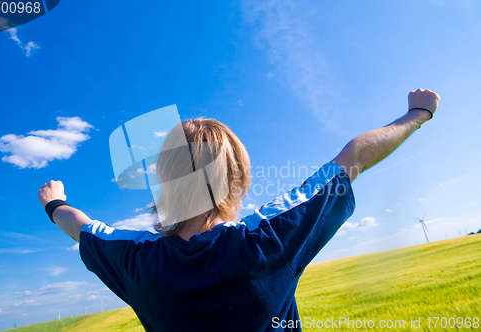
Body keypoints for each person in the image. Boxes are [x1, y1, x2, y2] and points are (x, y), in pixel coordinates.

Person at [38, 88, 440, 331]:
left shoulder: (133, 259)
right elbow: (354, 157)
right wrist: (417, 115)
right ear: (237, 176)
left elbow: (82, 226)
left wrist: (54, 201)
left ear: (166, 180)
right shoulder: (269, 238)